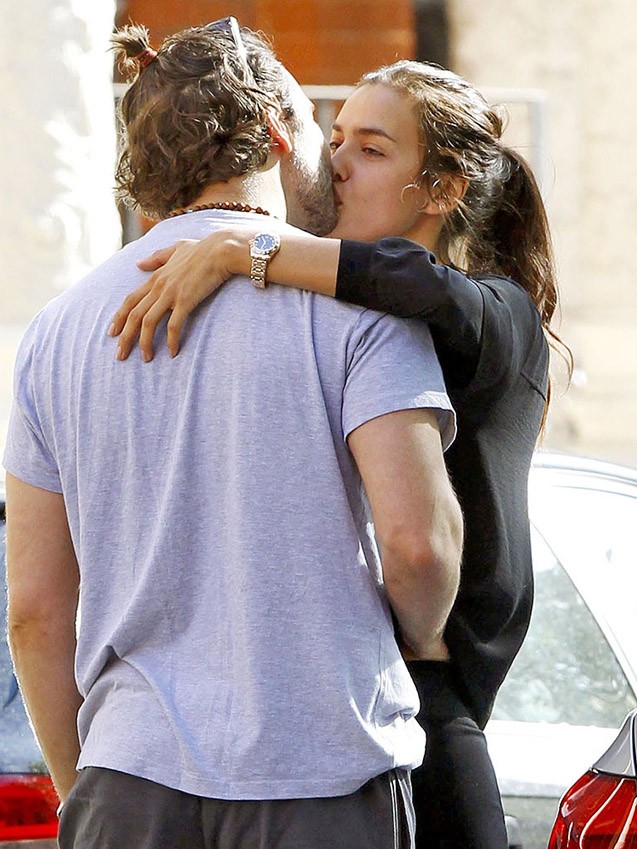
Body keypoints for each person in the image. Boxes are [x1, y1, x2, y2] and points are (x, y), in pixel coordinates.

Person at [3, 19, 464, 849]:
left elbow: (35, 612)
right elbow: (418, 546)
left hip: (126, 776)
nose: (331, 161)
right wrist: (422, 637)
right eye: (320, 132)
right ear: (279, 133)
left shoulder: (56, 331)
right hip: (323, 771)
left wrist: (86, 789)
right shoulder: (359, 309)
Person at [109, 58, 571, 849]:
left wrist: (242, 249)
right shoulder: (321, 312)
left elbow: (417, 283)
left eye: (371, 148)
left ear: (441, 189)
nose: (338, 164)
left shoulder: (498, 316)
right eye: (334, 140)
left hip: (427, 698)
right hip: (305, 716)